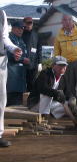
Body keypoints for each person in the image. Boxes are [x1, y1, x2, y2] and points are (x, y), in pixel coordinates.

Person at [27, 56, 77, 127]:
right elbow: (43, 89)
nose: (63, 68)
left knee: (68, 104)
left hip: (50, 105)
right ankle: (44, 118)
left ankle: (50, 118)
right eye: (60, 65)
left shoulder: (63, 77)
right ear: (53, 66)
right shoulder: (45, 73)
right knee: (47, 95)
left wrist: (71, 98)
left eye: (64, 66)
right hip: (36, 103)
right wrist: (57, 93)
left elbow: (67, 92)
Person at [54, 14, 77, 103]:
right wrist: (56, 64)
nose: (67, 22)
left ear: (73, 21)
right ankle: (72, 107)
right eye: (65, 20)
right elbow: (56, 51)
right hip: (65, 63)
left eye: (69, 20)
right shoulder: (59, 36)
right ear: (62, 22)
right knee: (69, 87)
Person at [0, 10, 22, 147]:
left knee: (1, 100)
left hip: (1, 60)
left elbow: (4, 37)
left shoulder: (1, 14)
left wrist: (13, 48)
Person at [6, 21, 30, 106]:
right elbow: (7, 55)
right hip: (11, 76)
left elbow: (25, 54)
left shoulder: (21, 40)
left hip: (20, 77)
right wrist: (22, 59)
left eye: (22, 28)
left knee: (18, 102)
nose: (21, 30)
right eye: (19, 28)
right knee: (10, 102)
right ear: (13, 28)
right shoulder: (8, 39)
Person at [22, 17, 42, 92]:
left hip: (33, 63)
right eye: (27, 23)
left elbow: (39, 48)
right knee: (22, 82)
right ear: (24, 23)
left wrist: (40, 62)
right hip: (22, 62)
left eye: (31, 23)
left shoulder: (36, 34)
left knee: (32, 83)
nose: (29, 25)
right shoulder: (21, 33)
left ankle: (31, 100)